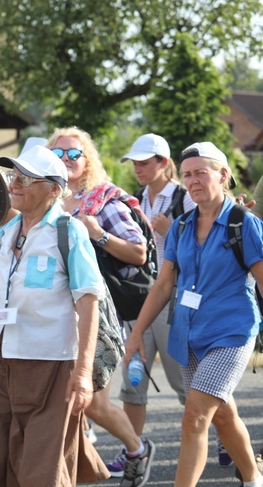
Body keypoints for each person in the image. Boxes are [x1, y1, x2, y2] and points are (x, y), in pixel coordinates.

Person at [0, 144, 107, 485]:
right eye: (15, 176)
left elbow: (89, 302)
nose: (15, 184)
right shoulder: (5, 234)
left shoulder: (68, 231)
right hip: (1, 361)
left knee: (41, 467)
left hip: (50, 365)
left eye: (27, 179)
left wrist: (84, 373)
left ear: (54, 190)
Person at [125, 142, 263, 487]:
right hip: (187, 332)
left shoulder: (243, 224)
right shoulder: (182, 225)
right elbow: (162, 285)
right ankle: (253, 477)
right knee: (222, 416)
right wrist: (137, 334)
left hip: (231, 332)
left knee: (195, 415)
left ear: (223, 174)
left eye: (201, 172)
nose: (193, 180)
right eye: (187, 174)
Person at [49, 126, 155, 487]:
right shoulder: (48, 200)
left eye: (74, 153)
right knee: (60, 399)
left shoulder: (103, 200)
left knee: (92, 403)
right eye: (59, 153)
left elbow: (139, 253)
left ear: (87, 159)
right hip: (55, 312)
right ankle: (69, 471)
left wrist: (98, 233)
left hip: (99, 313)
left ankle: (137, 450)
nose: (66, 159)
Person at [119, 134, 194, 428]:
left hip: (172, 297)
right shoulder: (135, 198)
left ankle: (224, 440)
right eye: (135, 163)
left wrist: (173, 229)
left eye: (144, 162)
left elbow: (207, 242)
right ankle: (132, 453)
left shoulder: (185, 196)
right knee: (132, 382)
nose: (138, 168)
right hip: (138, 297)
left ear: (163, 163)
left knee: (182, 381)